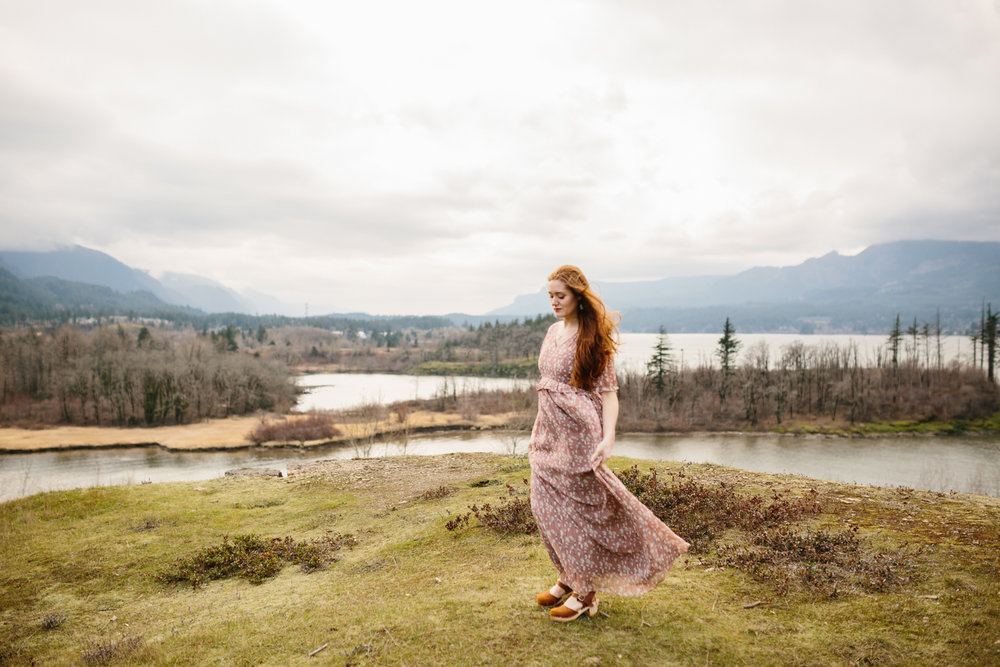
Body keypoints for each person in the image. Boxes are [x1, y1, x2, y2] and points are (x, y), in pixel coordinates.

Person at [528, 265, 690, 622]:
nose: (554, 302)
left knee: (579, 512)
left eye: (561, 296)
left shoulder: (593, 337)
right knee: (542, 504)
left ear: (577, 296)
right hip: (549, 431)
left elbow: (609, 393)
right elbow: (548, 383)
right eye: (550, 296)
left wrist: (609, 436)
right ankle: (569, 576)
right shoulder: (553, 330)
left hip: (580, 432)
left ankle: (585, 594)